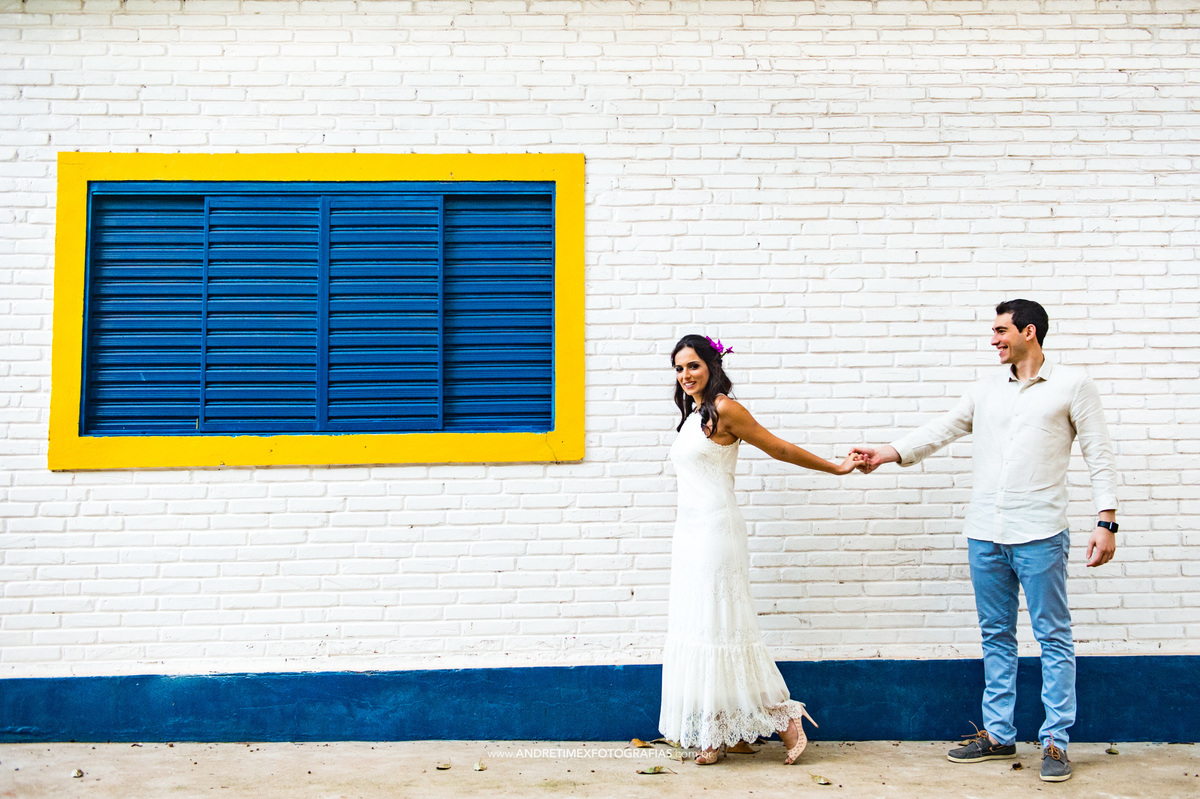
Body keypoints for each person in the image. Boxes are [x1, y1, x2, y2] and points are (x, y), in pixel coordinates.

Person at [851, 299, 1118, 783]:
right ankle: (998, 735)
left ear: (1028, 332)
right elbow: (942, 430)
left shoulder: (1073, 386)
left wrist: (1107, 521)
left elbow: (1099, 454)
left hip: (1041, 533)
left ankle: (1056, 742)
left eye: (1001, 330)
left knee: (1052, 637)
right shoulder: (984, 389)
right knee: (996, 636)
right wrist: (887, 453)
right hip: (985, 534)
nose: (993, 339)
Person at [659, 334, 860, 766]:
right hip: (689, 535)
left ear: (712, 365)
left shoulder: (727, 409)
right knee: (702, 628)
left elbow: (779, 448)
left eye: (693, 366)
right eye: (678, 368)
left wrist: (837, 467)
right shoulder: (694, 415)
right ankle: (717, 733)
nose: (685, 375)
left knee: (724, 628)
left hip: (717, 534)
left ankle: (787, 722)